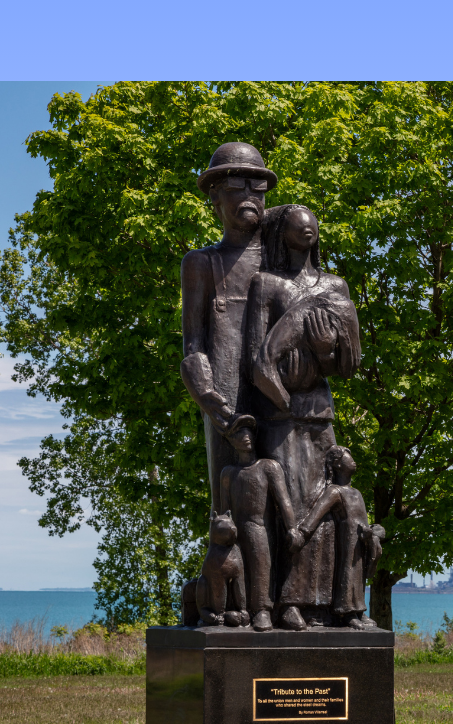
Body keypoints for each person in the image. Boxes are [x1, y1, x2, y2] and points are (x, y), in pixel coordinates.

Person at [246, 204, 363, 627]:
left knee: (324, 504)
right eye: (297, 219)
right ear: (282, 230)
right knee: (290, 507)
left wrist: (327, 351)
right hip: (280, 414)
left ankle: (330, 603)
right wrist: (280, 396)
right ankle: (284, 602)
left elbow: (350, 365)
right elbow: (256, 356)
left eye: (312, 218)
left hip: (319, 411)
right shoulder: (267, 284)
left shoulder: (336, 286)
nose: (307, 224)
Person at [179, 141, 277, 511]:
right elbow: (194, 345)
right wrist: (208, 398)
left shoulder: (285, 260)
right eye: (237, 187)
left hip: (285, 401)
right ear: (215, 197)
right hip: (229, 409)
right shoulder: (202, 264)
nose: (250, 195)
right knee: (234, 510)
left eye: (258, 187)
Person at [218, 415, 301, 631]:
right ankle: (238, 610)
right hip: (235, 531)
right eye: (238, 433)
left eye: (248, 432)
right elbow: (224, 511)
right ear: (230, 440)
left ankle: (262, 610)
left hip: (260, 528)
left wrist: (292, 528)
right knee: (236, 569)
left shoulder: (268, 467)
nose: (245, 437)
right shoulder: (228, 474)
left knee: (260, 564)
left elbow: (284, 502)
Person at [289, 446, 384, 630]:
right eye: (349, 457)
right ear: (338, 464)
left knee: (359, 575)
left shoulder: (356, 492)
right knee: (347, 573)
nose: (353, 460)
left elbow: (362, 519)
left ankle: (358, 610)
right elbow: (315, 515)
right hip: (346, 540)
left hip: (361, 540)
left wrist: (373, 531)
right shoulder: (334, 492)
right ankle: (346, 613)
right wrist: (303, 533)